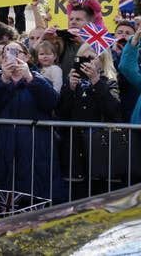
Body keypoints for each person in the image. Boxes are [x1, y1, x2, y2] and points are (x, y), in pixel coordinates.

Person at [0, 41, 65, 205]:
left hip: (34, 145)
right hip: (4, 144)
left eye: (16, 51)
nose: (11, 54)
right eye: (6, 52)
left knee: (33, 193)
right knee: (3, 196)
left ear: (26, 56)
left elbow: (52, 102)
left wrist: (29, 78)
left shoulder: (39, 77)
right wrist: (4, 78)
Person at [57, 43, 120, 199]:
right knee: (76, 196)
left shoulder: (109, 81)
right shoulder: (72, 82)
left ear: (102, 60)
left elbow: (113, 111)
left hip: (101, 148)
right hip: (75, 148)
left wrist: (96, 82)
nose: (86, 62)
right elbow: (60, 113)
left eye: (91, 58)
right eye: (82, 58)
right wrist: (69, 89)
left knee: (101, 196)